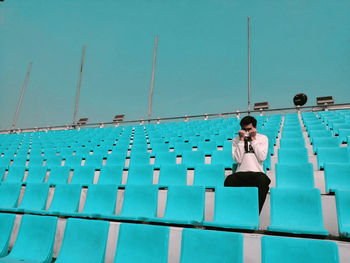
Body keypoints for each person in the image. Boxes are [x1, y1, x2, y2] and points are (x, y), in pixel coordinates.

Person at [224, 115, 271, 214]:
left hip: (256, 173)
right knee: (229, 180)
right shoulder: (236, 140)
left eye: (249, 129)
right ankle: (232, 214)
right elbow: (238, 159)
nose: (246, 132)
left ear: (255, 128)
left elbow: (262, 157)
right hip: (241, 173)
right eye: (244, 129)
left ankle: (254, 215)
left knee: (264, 180)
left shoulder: (263, 138)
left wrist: (253, 139)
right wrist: (241, 141)